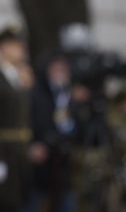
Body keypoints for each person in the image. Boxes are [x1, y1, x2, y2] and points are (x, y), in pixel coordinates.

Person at [26, 51, 84, 212]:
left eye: (63, 70)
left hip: (64, 164)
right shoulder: (36, 94)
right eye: (55, 69)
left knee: (67, 203)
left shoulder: (68, 97)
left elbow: (75, 127)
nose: (60, 74)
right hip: (40, 163)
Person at [0, 25, 32, 212]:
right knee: (3, 203)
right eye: (15, 45)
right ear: (2, 48)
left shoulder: (21, 78)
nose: (21, 49)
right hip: (3, 150)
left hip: (21, 150)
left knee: (21, 202)